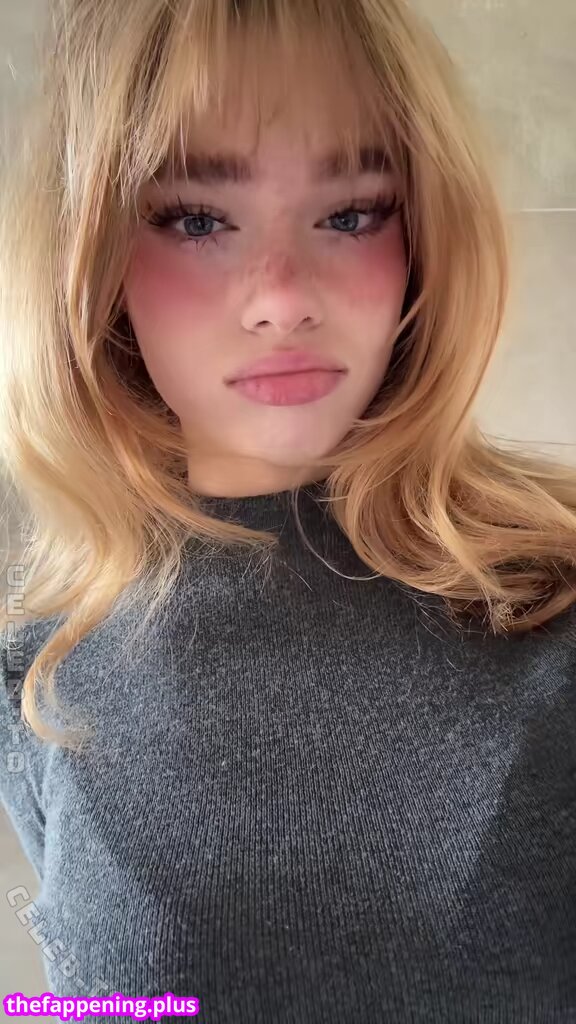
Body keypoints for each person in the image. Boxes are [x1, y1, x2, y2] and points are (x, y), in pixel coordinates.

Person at [1, 0, 576, 1021]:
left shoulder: (556, 599)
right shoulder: (36, 663)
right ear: (89, 256)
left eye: (350, 214)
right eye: (196, 220)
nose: (282, 298)